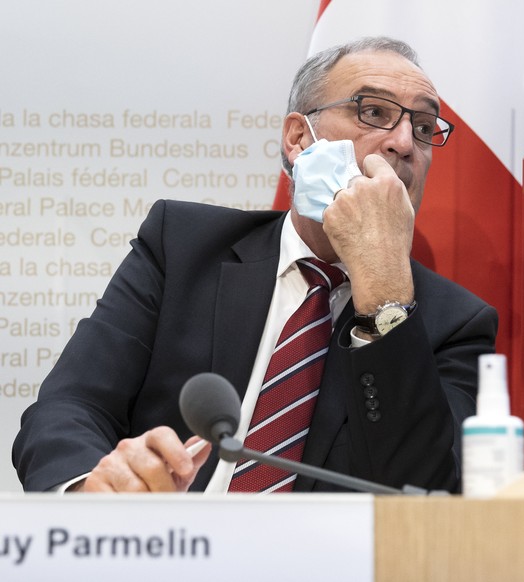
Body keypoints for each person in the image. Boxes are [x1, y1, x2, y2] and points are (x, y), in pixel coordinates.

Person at [13, 36, 497, 494]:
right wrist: (90, 486)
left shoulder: (454, 324)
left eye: (423, 127)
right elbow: (68, 407)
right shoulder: (181, 246)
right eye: (373, 112)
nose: (404, 144)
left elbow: (421, 492)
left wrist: (383, 288)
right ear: (297, 138)